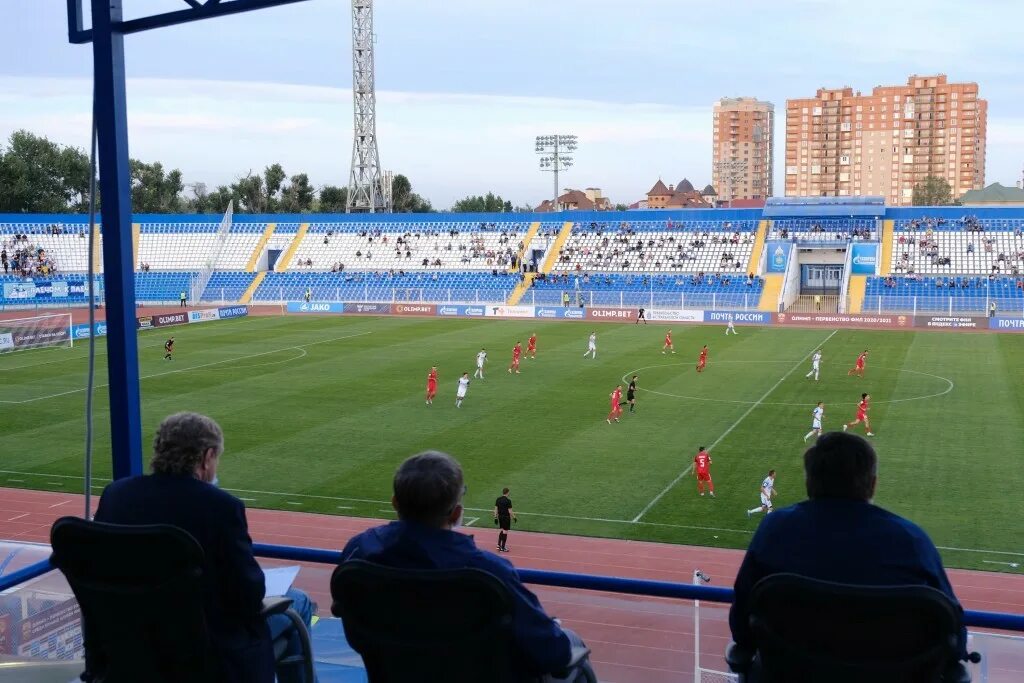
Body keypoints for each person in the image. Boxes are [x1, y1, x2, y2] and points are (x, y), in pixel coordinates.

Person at [94, 413, 317, 683]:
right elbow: (249, 594)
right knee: (299, 602)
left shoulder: (116, 495)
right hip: (208, 651)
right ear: (206, 457)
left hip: (128, 643)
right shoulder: (221, 507)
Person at [338, 451, 596, 682]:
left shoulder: (359, 550)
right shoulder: (487, 572)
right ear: (455, 512)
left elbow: (349, 620)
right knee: (570, 643)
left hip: (391, 671)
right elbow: (554, 652)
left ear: (395, 503)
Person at [730, 433, 967, 660]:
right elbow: (955, 636)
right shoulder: (912, 542)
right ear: (873, 484)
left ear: (809, 481)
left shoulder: (775, 532)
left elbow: (741, 624)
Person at [494, 487, 517, 553]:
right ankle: (503, 548)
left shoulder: (498, 499)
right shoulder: (508, 501)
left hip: (500, 517)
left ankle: (498, 545)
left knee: (502, 530)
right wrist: (514, 517)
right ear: (507, 492)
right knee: (505, 531)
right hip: (506, 517)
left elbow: (496, 509)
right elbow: (510, 511)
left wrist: (495, 517)